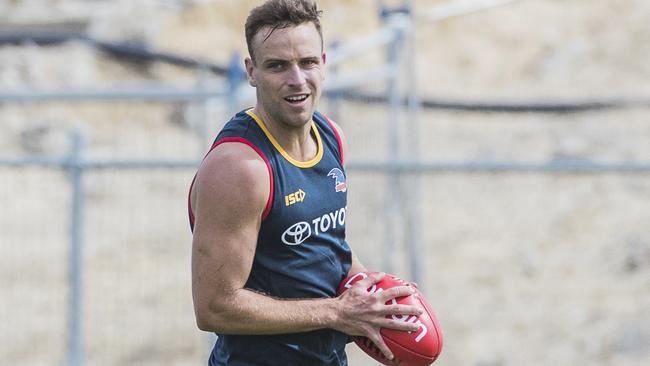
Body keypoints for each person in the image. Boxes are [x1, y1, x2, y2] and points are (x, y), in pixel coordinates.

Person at [188, 1, 422, 365]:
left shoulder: (330, 136)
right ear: (251, 72)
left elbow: (327, 248)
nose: (297, 80)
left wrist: (375, 296)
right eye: (278, 65)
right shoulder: (240, 168)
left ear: (324, 64)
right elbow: (215, 307)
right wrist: (337, 313)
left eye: (307, 62)